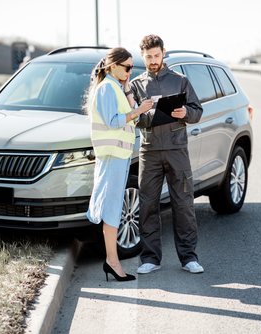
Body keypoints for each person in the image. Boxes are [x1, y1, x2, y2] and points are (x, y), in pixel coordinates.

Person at [129, 35, 204, 274]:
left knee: (183, 204)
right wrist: (147, 115)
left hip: (176, 150)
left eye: (156, 55)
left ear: (164, 53)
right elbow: (133, 119)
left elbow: (197, 110)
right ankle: (150, 259)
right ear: (143, 56)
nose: (153, 60)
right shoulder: (136, 85)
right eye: (148, 57)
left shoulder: (180, 81)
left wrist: (185, 113)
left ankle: (189, 258)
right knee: (148, 204)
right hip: (149, 152)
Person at [85, 47, 153, 282]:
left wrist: (127, 91)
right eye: (127, 67)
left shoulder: (116, 87)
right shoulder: (106, 89)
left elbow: (130, 113)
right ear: (113, 66)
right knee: (112, 207)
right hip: (112, 157)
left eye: (132, 67)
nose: (130, 71)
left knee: (114, 206)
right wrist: (138, 111)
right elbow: (113, 121)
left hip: (120, 156)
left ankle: (111, 260)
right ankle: (112, 261)